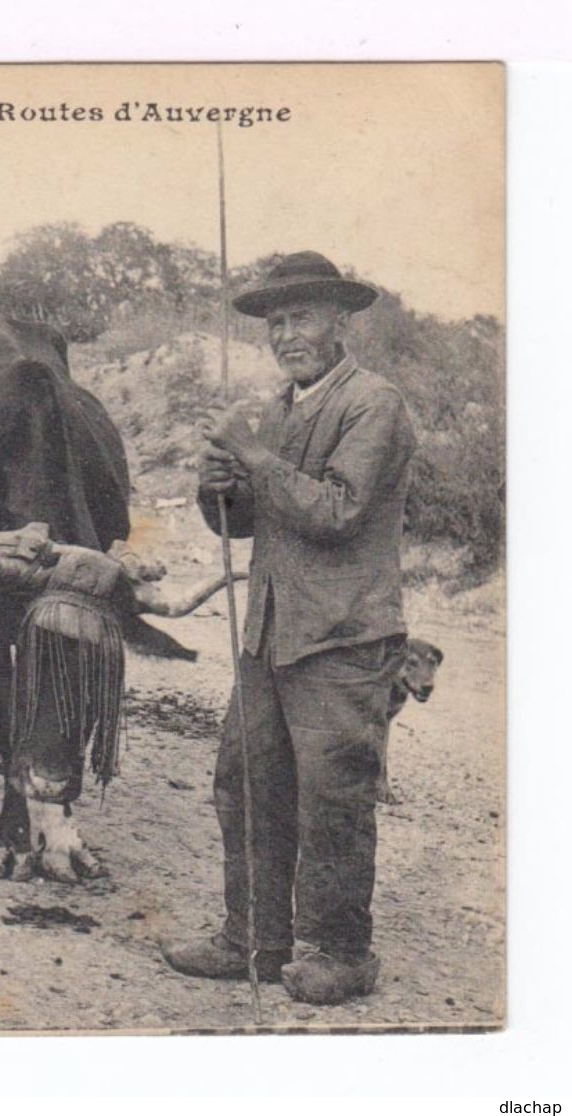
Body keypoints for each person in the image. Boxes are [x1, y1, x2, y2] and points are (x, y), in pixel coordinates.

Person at [162, 251, 418, 1005]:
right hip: (268, 633)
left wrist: (253, 459)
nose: (285, 335)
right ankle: (253, 938)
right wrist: (218, 492)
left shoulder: (375, 404)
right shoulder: (276, 410)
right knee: (245, 784)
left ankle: (342, 952)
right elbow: (244, 520)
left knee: (333, 797)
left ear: (339, 322)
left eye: (300, 317)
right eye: (275, 323)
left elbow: (337, 512)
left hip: (342, 638)